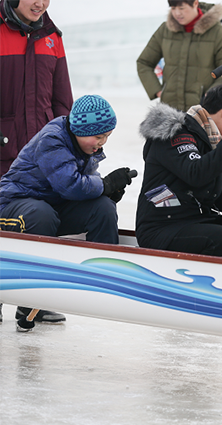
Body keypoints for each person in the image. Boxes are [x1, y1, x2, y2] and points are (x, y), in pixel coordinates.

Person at [0, 95, 134, 323]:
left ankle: (103, 280)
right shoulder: (52, 140)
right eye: (98, 136)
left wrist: (106, 193)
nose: (102, 142)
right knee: (41, 215)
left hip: (51, 206)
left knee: (103, 208)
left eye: (107, 136)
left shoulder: (84, 147)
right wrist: (105, 185)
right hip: (13, 205)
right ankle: (29, 299)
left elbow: (84, 186)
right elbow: (71, 186)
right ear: (80, 130)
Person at [136, 84, 222, 261]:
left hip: (195, 220)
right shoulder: (175, 133)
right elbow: (195, 174)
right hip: (162, 226)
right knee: (220, 238)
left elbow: (218, 199)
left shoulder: (213, 141)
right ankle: (209, 278)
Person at [0, 0, 73, 178]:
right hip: (4, 157)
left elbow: (62, 102)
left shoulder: (52, 36)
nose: (40, 4)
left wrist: (70, 145)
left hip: (44, 157)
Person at [136, 0, 222, 112]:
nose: (177, 13)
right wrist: (158, 91)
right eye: (173, 8)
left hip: (202, 111)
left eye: (181, 8)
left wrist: (211, 96)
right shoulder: (165, 30)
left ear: (195, 3)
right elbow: (144, 63)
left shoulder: (217, 32)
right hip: (170, 111)